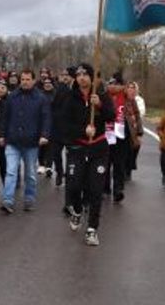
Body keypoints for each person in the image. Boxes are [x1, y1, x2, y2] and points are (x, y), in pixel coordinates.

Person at [61, 63, 115, 247]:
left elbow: (111, 116)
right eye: (79, 74)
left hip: (99, 148)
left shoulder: (101, 95)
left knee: (95, 190)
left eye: (85, 74)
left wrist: (99, 105)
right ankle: (77, 211)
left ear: (92, 77)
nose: (82, 77)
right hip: (78, 148)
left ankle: (92, 228)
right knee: (74, 186)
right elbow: (65, 125)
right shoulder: (71, 97)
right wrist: (82, 130)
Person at [0, 69, 51, 214]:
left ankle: (29, 198)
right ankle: (7, 200)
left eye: (28, 79)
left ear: (33, 81)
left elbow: (46, 118)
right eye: (22, 79)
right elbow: (5, 117)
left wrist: (44, 135)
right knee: (10, 172)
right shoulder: (12, 97)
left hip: (31, 142)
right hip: (13, 141)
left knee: (30, 174)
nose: (25, 82)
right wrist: (1, 135)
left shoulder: (41, 98)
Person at [104, 73, 128, 203]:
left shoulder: (127, 97)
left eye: (117, 84)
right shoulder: (104, 96)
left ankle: (118, 190)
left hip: (121, 135)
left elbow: (135, 114)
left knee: (119, 164)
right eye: (111, 84)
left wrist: (138, 133)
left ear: (122, 86)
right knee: (106, 162)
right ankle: (105, 188)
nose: (114, 86)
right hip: (106, 133)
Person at [123, 81, 144, 181]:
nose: (131, 90)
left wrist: (140, 132)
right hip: (123, 130)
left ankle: (129, 169)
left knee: (134, 148)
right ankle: (123, 171)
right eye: (129, 88)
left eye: (133, 88)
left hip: (133, 130)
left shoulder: (135, 101)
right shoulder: (122, 100)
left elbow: (138, 115)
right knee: (124, 152)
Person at [37, 76, 57, 177]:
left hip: (53, 123)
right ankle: (41, 164)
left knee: (50, 146)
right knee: (41, 146)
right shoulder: (40, 95)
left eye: (49, 83)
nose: (47, 84)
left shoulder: (56, 94)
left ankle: (49, 166)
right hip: (41, 123)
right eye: (45, 83)